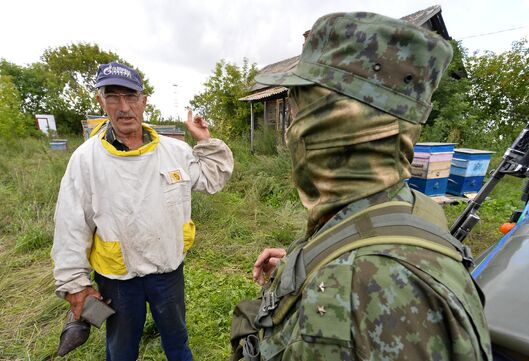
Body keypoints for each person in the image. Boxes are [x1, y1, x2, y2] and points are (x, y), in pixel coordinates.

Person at [235, 12, 492, 361]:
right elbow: (367, 239)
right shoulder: (406, 206)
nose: (291, 126)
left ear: (337, 122)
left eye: (298, 106)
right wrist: (305, 265)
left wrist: (346, 275)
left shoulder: (374, 288)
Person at [51, 61, 233, 361]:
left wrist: (205, 141)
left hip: (168, 270)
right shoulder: (86, 160)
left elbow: (212, 178)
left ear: (144, 101)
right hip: (119, 278)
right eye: (113, 97)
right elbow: (70, 225)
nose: (124, 107)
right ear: (101, 101)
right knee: (121, 351)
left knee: (178, 343)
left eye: (131, 97)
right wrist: (75, 286)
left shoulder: (174, 152)